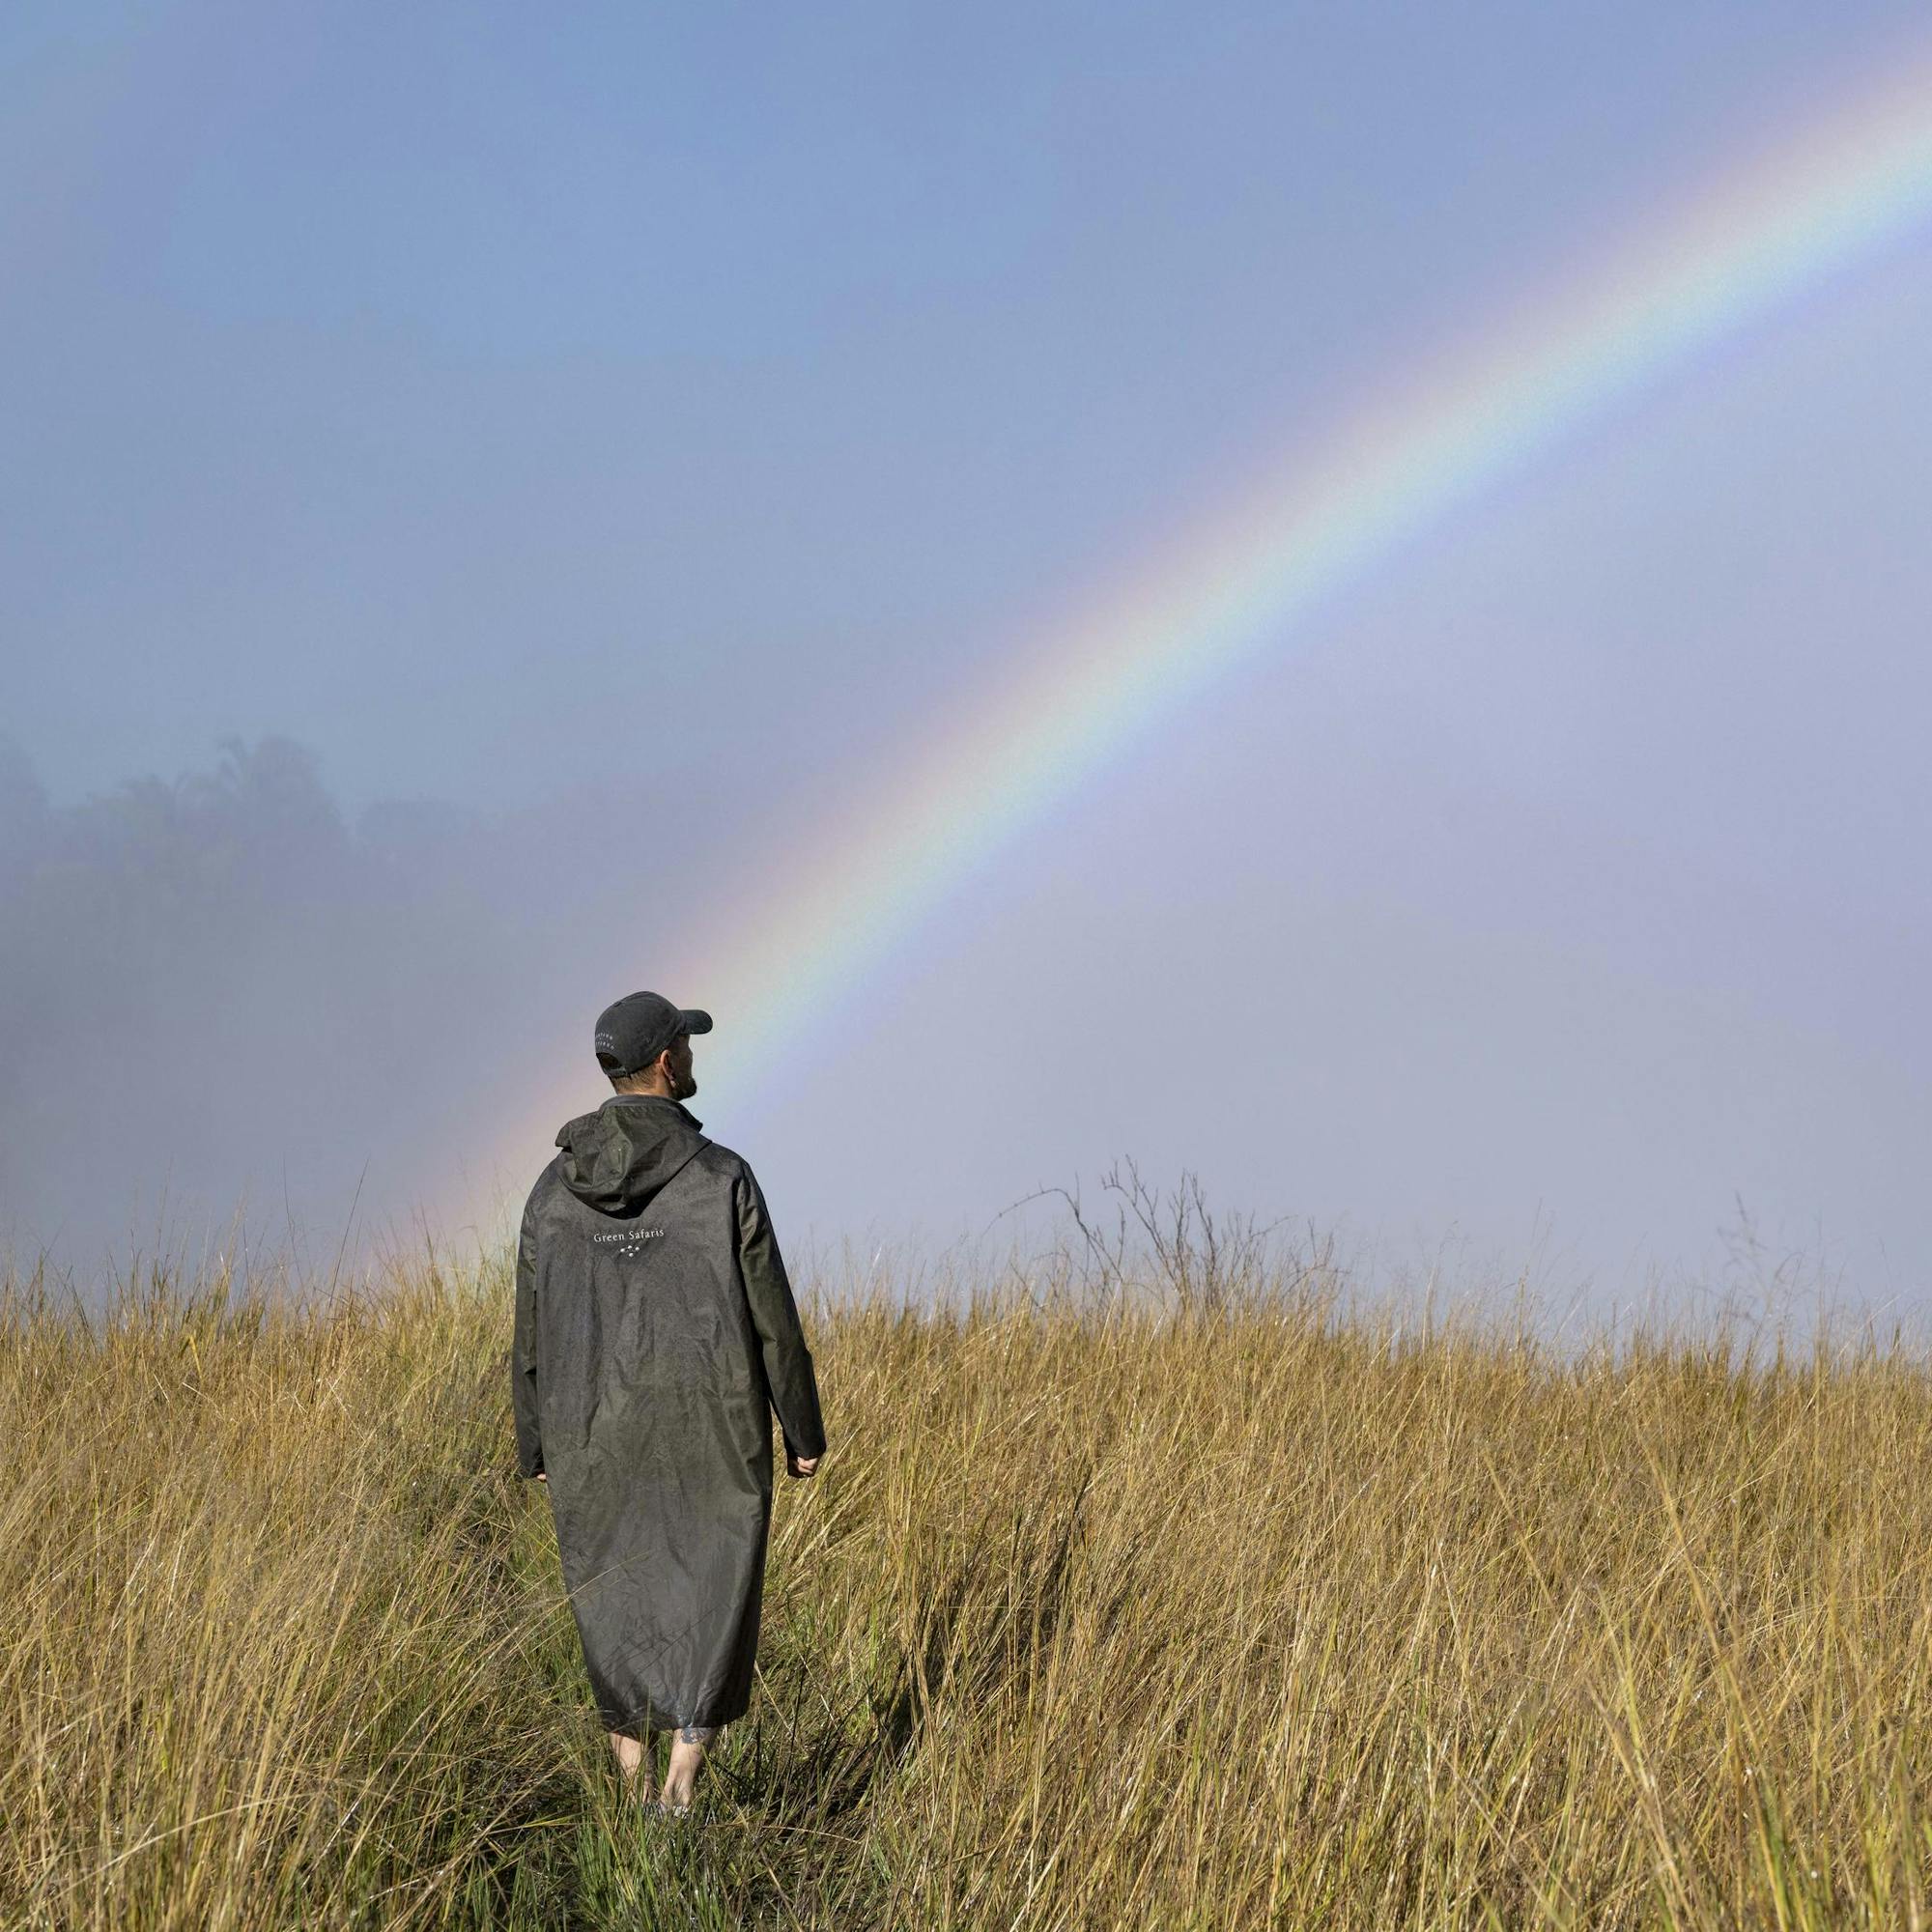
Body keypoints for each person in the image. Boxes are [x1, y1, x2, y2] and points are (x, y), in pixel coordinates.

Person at [511, 989, 826, 1814]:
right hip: (713, 1427)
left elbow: (531, 1332)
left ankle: (630, 1784)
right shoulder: (723, 1176)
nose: (690, 1058)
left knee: (611, 1583)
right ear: (662, 1062)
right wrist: (802, 1427)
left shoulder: (551, 1189)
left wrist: (536, 1443)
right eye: (684, 1047)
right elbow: (774, 1321)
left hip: (587, 1432)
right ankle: (682, 1785)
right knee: (713, 1586)